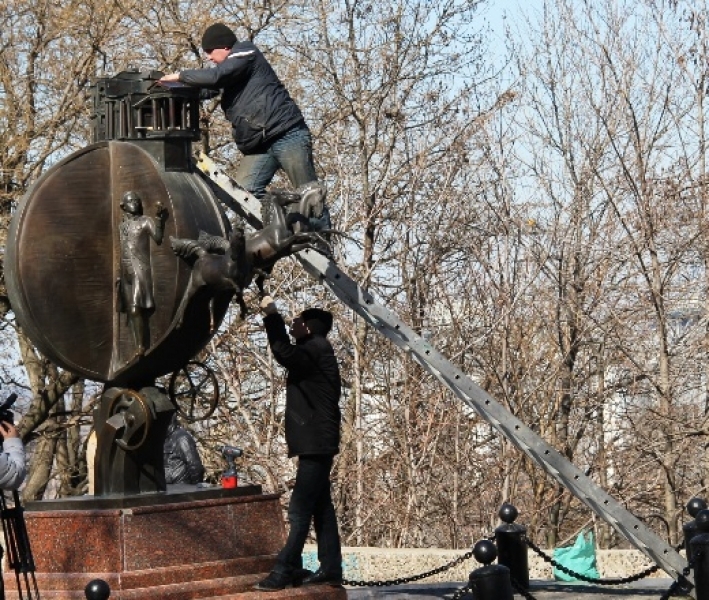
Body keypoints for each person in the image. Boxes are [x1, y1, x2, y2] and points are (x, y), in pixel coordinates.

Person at [158, 23, 331, 232]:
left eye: (210, 52)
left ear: (224, 47)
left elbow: (216, 77)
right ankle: (288, 221)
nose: (209, 58)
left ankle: (322, 240)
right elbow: (207, 88)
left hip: (286, 134)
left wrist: (181, 76)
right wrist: (173, 92)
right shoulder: (231, 73)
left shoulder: (246, 52)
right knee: (243, 195)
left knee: (309, 192)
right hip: (259, 147)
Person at [255, 296, 343, 591]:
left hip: (316, 445)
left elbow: (283, 352)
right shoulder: (318, 350)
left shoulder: (314, 349)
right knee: (322, 507)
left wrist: (271, 315)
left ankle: (285, 568)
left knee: (299, 508)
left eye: (296, 321)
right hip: (318, 443)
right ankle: (330, 567)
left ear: (308, 326)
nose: (293, 325)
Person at [117, 191, 168, 359]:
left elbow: (158, 238)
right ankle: (135, 343)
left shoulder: (145, 221)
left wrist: (160, 219)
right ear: (124, 206)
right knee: (129, 311)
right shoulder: (122, 226)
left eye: (137, 201)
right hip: (125, 271)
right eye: (131, 201)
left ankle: (140, 346)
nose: (135, 203)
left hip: (140, 268)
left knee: (135, 308)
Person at [163, 413, 205, 485]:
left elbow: (195, 466)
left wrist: (194, 490)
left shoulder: (182, 438)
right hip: (168, 489)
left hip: (181, 488)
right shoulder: (163, 439)